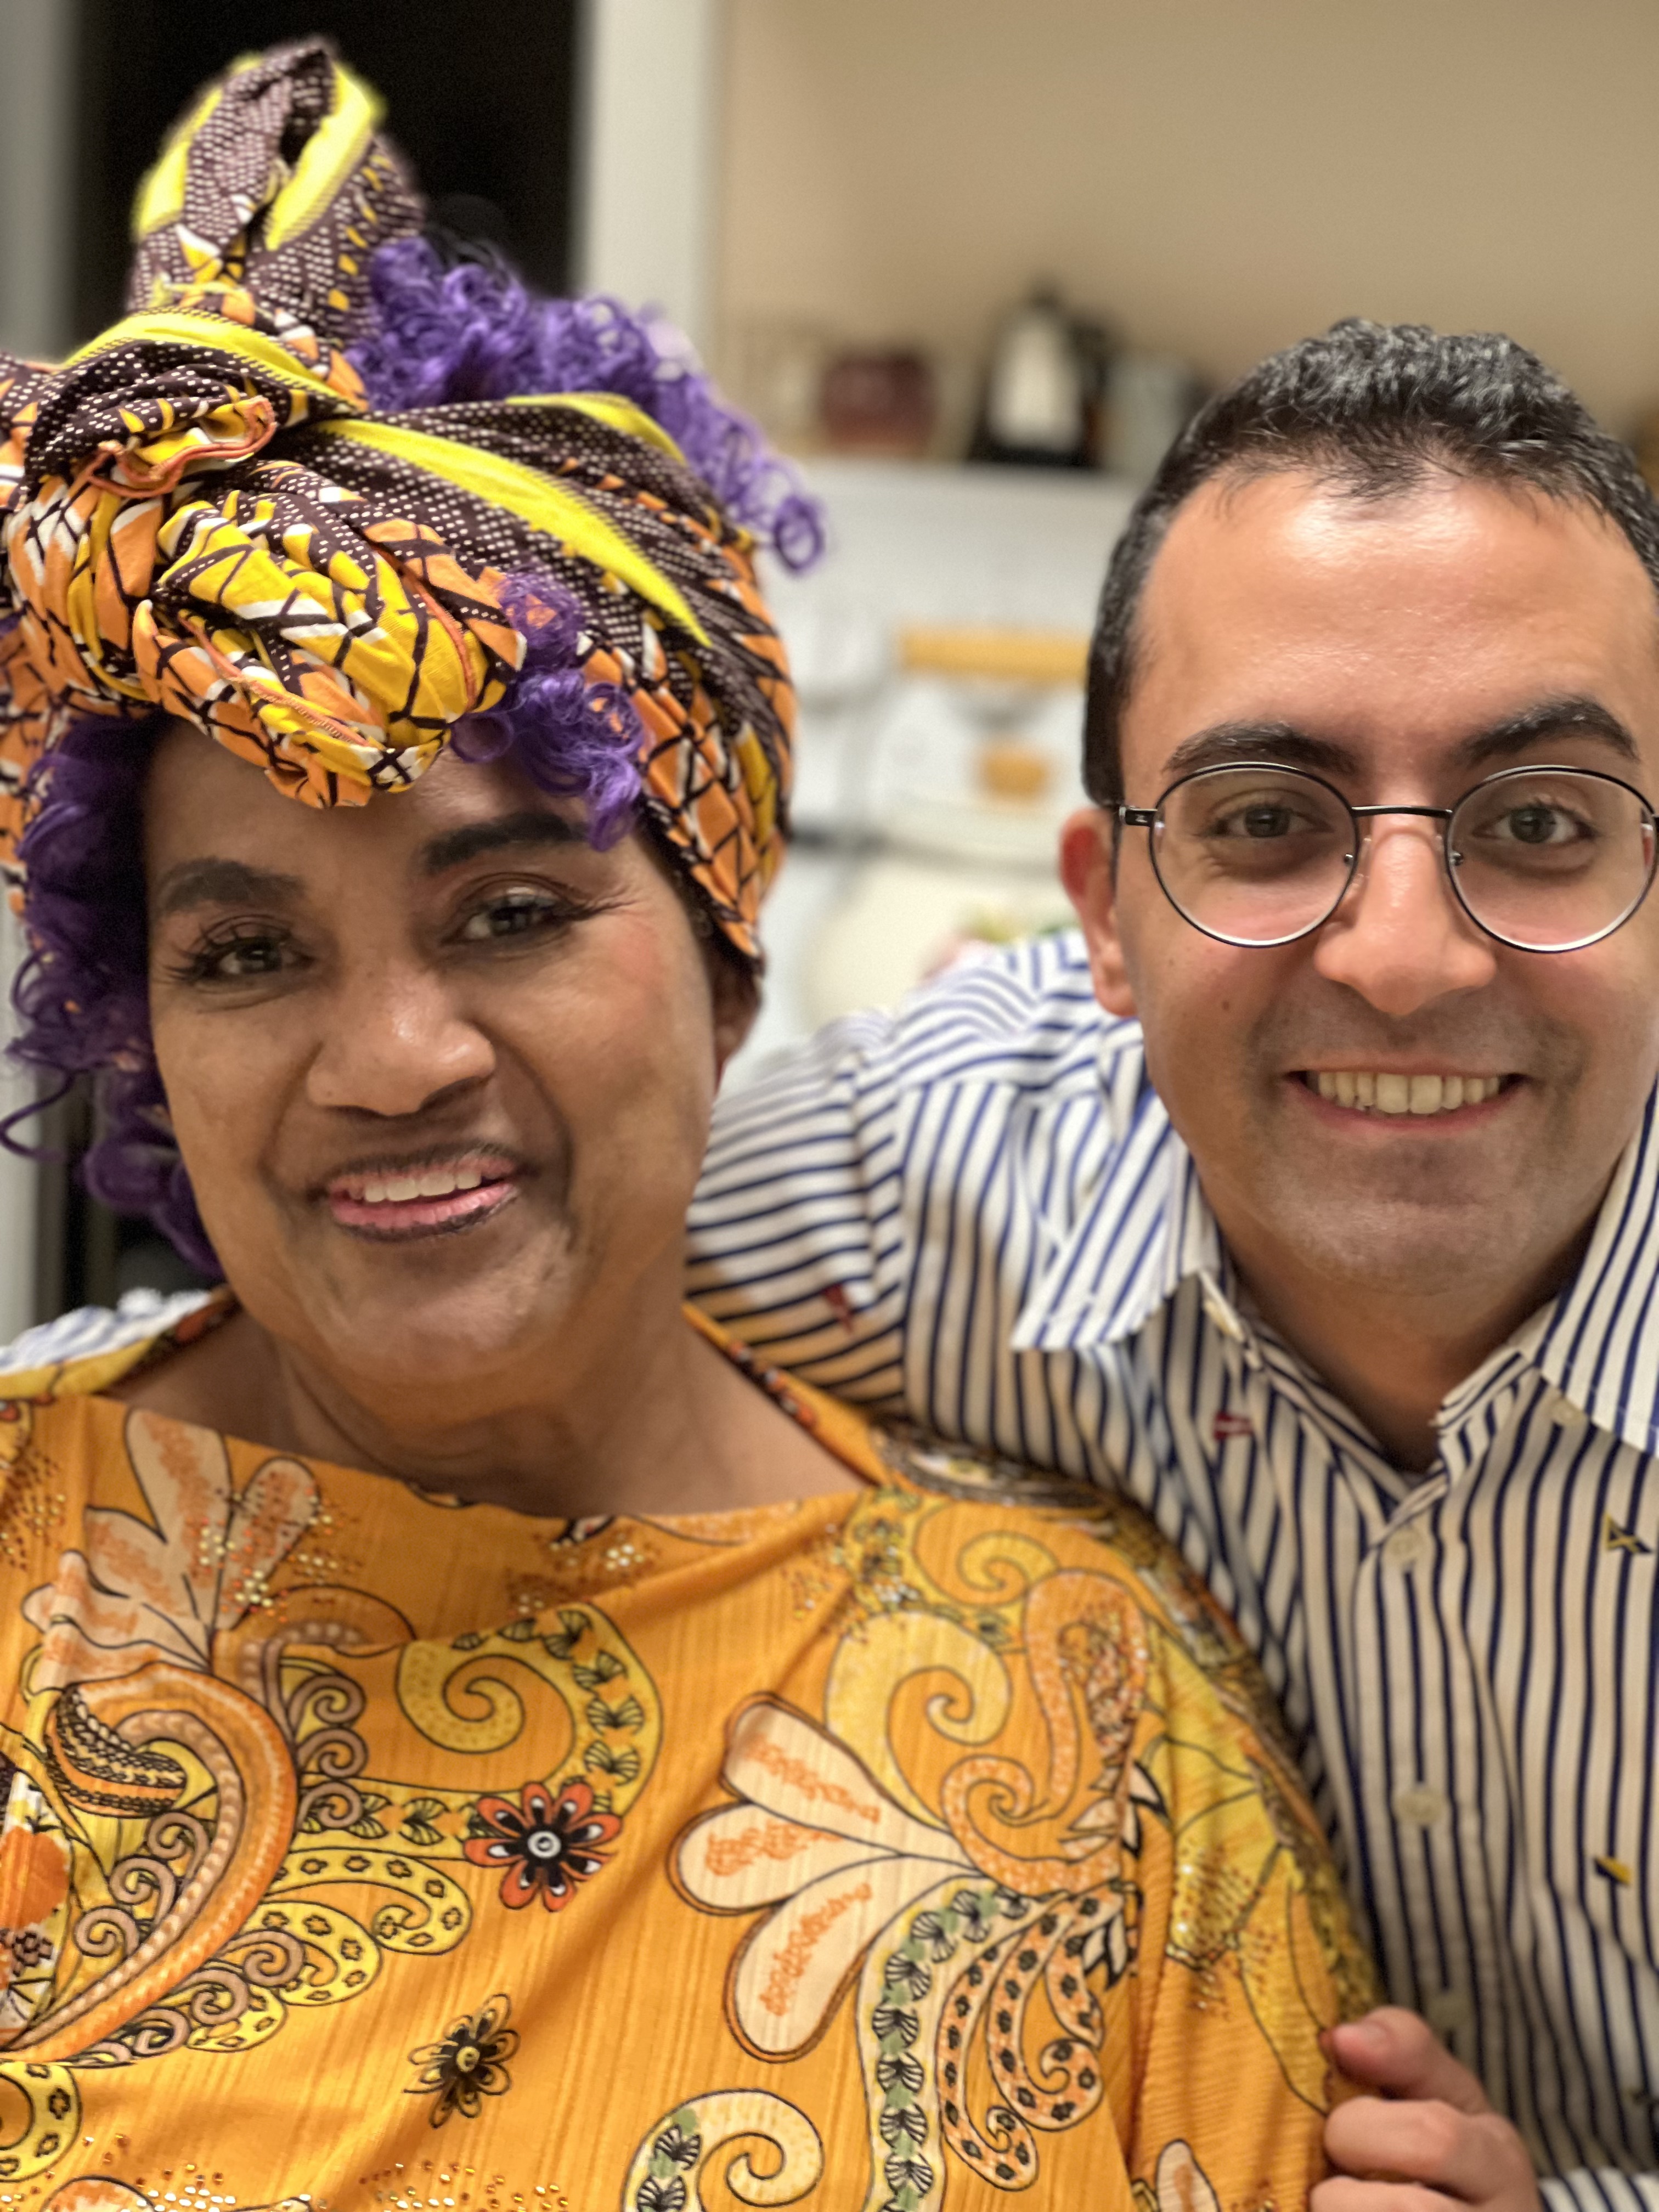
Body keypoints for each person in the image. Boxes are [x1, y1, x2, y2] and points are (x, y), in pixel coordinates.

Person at [0, 41, 1374, 2211]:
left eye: (513, 913)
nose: (391, 1058)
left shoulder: (1092, 1709)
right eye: (248, 953)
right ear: (143, 1029)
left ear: (728, 964)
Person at [687, 318, 1659, 2212]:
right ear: (1107, 918)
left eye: (1540, 824)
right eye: (1267, 823)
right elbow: (388, 1323)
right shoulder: (928, 1190)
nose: (1404, 956)